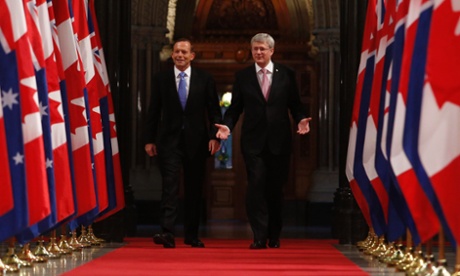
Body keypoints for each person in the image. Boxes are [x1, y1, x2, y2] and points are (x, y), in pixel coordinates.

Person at [215, 33, 312, 249]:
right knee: (256, 186)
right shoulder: (243, 76)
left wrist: (301, 119)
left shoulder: (287, 74)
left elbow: (295, 104)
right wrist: (227, 126)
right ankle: (259, 235)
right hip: (253, 143)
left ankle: (274, 234)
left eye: (262, 49)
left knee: (275, 190)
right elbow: (235, 108)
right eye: (255, 49)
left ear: (271, 51)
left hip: (279, 142)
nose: (258, 52)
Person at [144, 38, 222, 248]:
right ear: (172, 55)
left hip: (198, 142)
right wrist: (149, 140)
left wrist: (215, 137)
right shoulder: (161, 79)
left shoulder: (205, 79)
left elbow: (214, 110)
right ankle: (167, 232)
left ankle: (192, 235)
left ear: (192, 56)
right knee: (170, 186)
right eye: (177, 51)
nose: (180, 55)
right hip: (168, 142)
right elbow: (153, 111)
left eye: (184, 52)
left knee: (194, 188)